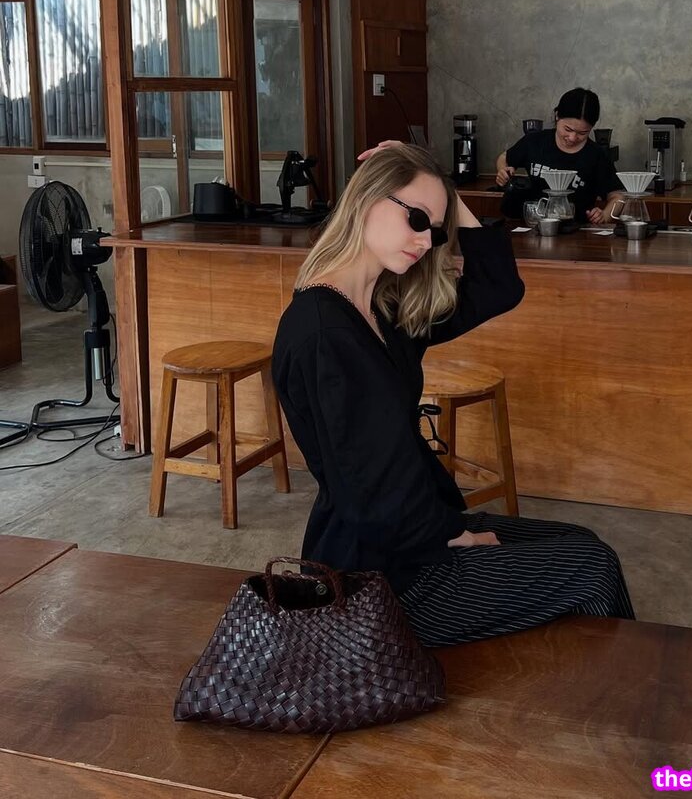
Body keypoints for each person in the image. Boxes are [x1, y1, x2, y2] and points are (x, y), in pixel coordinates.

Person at [271, 140, 634, 647]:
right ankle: (600, 688)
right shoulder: (326, 335)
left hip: (412, 527)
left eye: (436, 230)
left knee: (578, 540)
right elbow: (368, 491)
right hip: (385, 575)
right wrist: (454, 536)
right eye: (417, 219)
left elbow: (499, 287)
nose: (426, 241)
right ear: (367, 198)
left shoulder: (382, 309)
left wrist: (442, 187)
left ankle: (570, 680)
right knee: (593, 566)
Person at [496, 87, 624, 224]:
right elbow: (504, 158)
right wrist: (503, 171)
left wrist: (605, 215)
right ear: (557, 116)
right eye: (567, 129)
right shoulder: (535, 141)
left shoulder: (596, 155)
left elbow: (617, 196)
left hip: (576, 230)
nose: (572, 138)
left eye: (582, 133)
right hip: (532, 225)